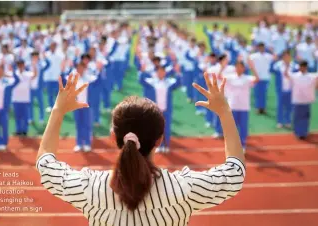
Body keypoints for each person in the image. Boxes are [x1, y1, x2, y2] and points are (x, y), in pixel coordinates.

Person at [36, 72, 245, 225]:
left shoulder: (89, 187)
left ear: (113, 137)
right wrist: (225, 112)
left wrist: (58, 111)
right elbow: (235, 173)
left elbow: (45, 164)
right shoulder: (183, 189)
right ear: (159, 140)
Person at [140, 64, 182, 153]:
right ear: (156, 73)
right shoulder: (153, 82)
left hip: (166, 109)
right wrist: (142, 72)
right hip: (156, 110)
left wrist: (178, 73)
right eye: (159, 72)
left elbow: (178, 83)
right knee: (157, 129)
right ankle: (159, 145)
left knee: (166, 128)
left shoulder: (169, 82)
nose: (160, 73)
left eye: (162, 72)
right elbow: (141, 81)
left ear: (165, 73)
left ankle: (166, 145)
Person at [225, 62, 259, 150]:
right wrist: (222, 66)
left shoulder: (247, 78)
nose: (239, 69)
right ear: (235, 68)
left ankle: (242, 145)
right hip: (233, 105)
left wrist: (253, 68)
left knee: (243, 128)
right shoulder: (230, 77)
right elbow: (219, 77)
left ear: (244, 69)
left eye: (241, 67)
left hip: (244, 107)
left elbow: (257, 79)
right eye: (237, 67)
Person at [285, 61, 318, 139]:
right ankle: (297, 132)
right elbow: (286, 74)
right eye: (301, 66)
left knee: (305, 118)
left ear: (306, 67)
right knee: (297, 117)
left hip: (306, 101)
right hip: (297, 100)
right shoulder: (295, 76)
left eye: (303, 66)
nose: (302, 68)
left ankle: (303, 133)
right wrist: (287, 64)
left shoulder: (311, 76)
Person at [271, 50, 298, 128]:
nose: (286, 57)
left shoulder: (294, 66)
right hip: (280, 89)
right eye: (285, 56)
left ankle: (287, 121)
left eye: (288, 56)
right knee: (280, 106)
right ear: (282, 57)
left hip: (291, 89)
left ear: (290, 57)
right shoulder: (278, 65)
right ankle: (279, 121)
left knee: (289, 106)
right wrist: (273, 60)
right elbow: (271, 70)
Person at [11, 59, 37, 136]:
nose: (20, 66)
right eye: (18, 64)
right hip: (16, 98)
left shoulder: (28, 74)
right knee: (18, 116)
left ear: (24, 65)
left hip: (25, 99)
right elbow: (5, 75)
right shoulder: (14, 74)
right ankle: (18, 130)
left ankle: (25, 130)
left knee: (25, 116)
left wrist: (34, 65)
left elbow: (35, 75)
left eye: (21, 64)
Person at [248, 42, 275, 114]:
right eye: (260, 47)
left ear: (264, 48)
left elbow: (275, 58)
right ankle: (258, 108)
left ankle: (263, 108)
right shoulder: (254, 56)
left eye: (262, 47)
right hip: (257, 77)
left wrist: (272, 50)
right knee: (257, 93)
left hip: (266, 77)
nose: (261, 48)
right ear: (258, 48)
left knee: (264, 94)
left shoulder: (269, 56)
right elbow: (249, 62)